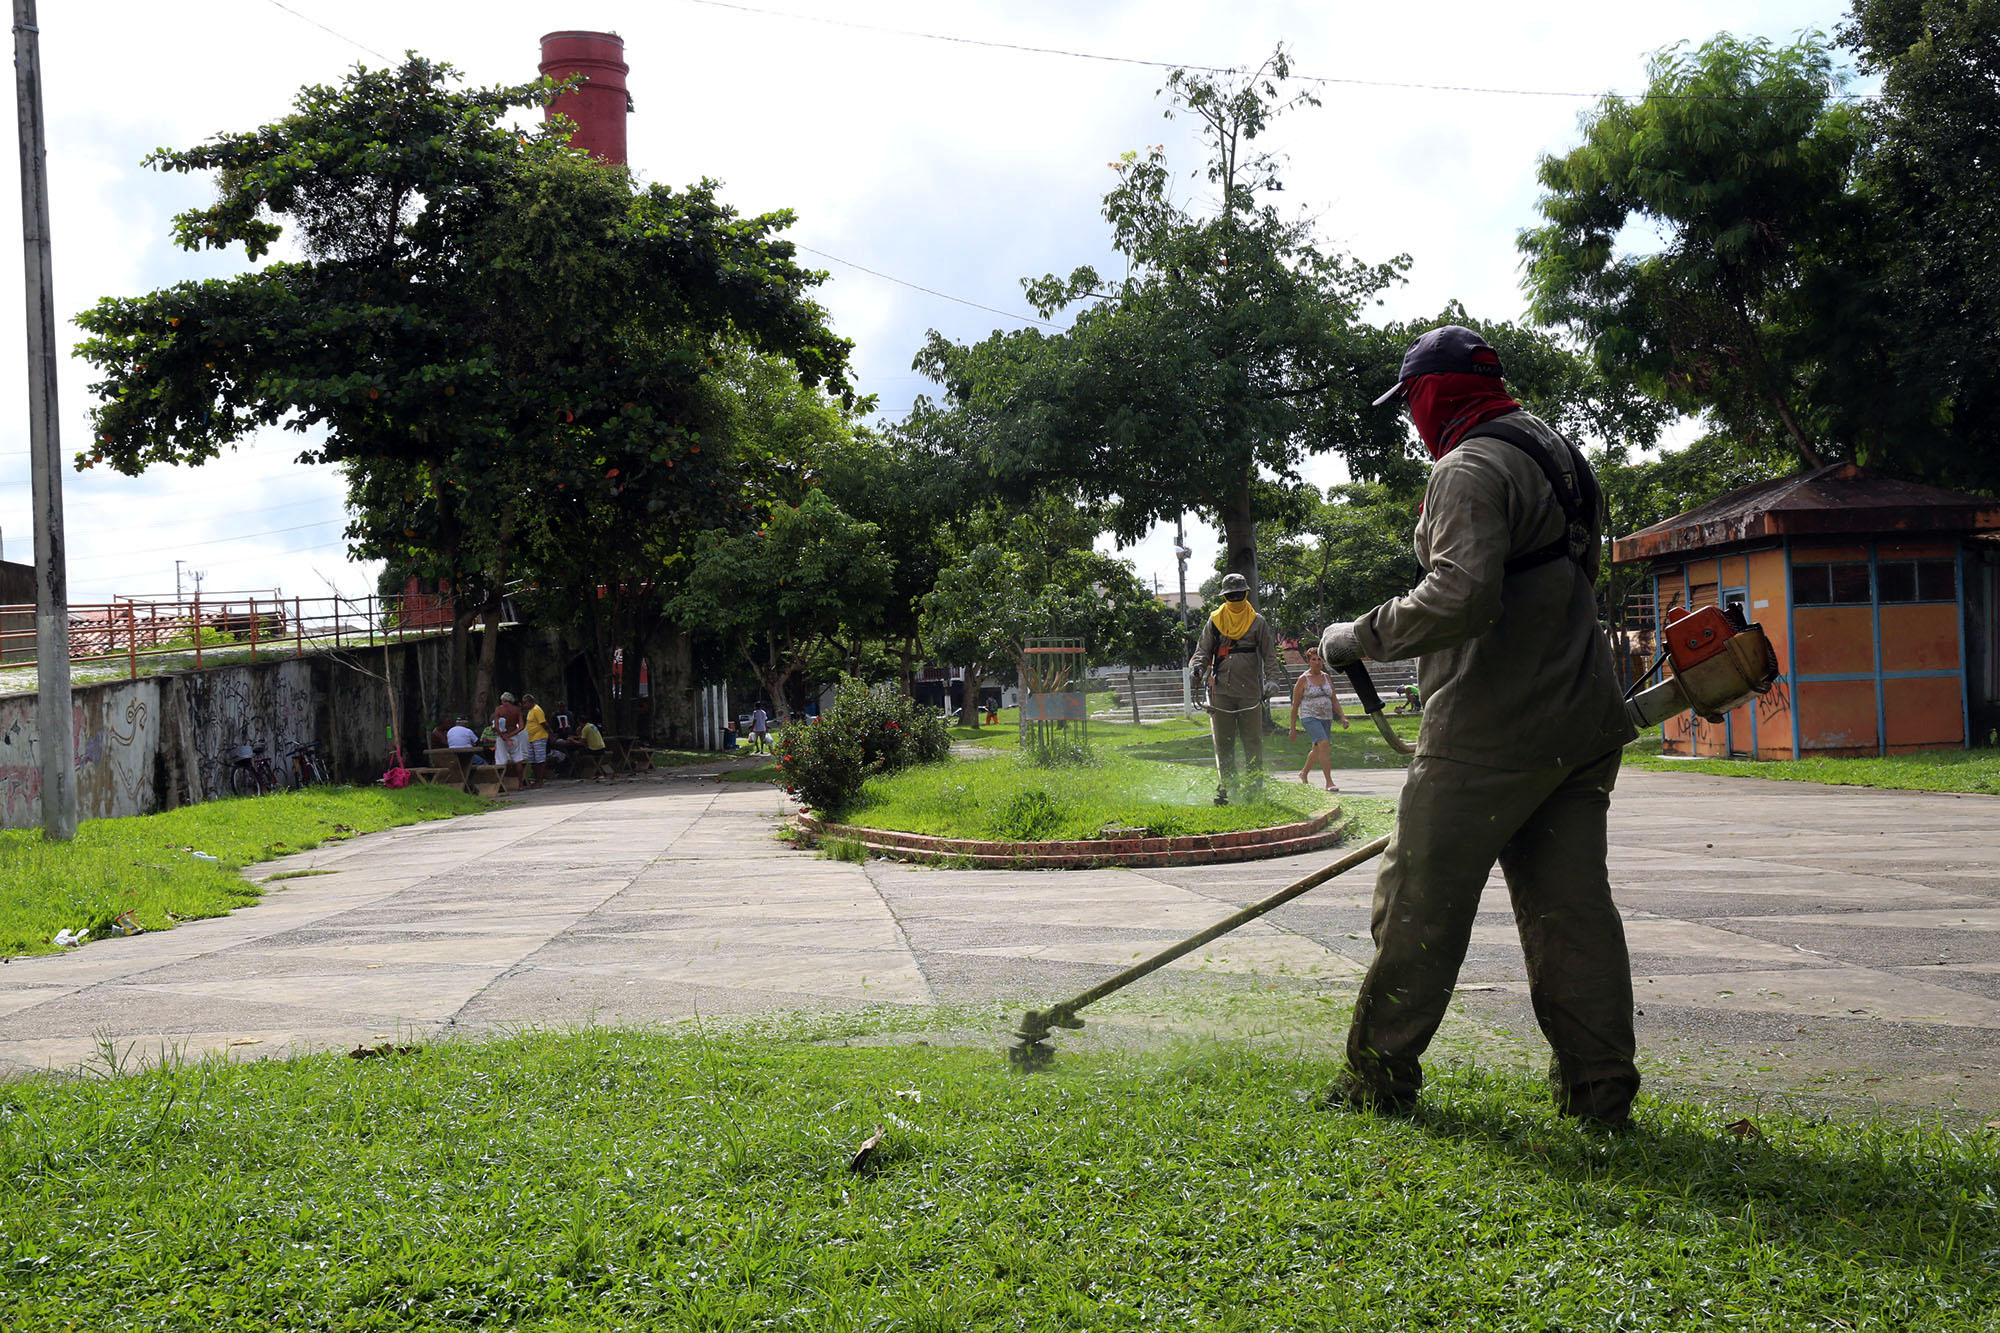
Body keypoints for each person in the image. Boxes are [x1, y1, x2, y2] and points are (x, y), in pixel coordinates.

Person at [1317, 324, 1638, 1127]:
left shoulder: (1467, 467)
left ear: (1438, 394)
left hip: (1491, 728)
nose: (1413, 422)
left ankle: (1377, 1080)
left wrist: (1360, 635)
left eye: (1413, 403)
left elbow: (1464, 596)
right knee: (1572, 913)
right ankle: (1599, 1098)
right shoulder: (1560, 455)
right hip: (1580, 723)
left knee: (1417, 901)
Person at [1187, 571, 1289, 806]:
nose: (1235, 599)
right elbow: (1202, 652)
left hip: (1250, 692)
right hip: (1221, 691)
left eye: (1238, 594)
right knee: (1223, 743)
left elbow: (1270, 656)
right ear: (1225, 597)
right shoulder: (1214, 621)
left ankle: (1254, 789)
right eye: (1231, 595)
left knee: (1252, 741)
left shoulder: (1258, 622)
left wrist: (1273, 680)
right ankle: (1227, 787)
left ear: (1245, 594)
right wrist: (1197, 669)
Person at [1288, 646, 1350, 791]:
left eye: (1320, 659)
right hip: (1309, 717)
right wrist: (1292, 728)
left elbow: (1334, 699)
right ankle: (1329, 782)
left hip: (1326, 717)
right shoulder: (1303, 679)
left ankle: (1303, 773)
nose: (1317, 662)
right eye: (1314, 659)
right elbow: (1295, 705)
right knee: (1324, 744)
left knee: (1317, 749)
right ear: (1308, 661)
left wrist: (1343, 717)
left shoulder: (1326, 677)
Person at [491, 691, 527, 788]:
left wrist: (505, 737)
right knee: (518, 760)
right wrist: (511, 735)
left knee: (500, 761)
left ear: (503, 700)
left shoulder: (499, 709)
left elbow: (496, 727)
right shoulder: (517, 710)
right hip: (514, 737)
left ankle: (500, 785)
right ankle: (520, 784)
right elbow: (521, 726)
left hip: (502, 738)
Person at [522, 692, 550, 788]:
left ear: (530, 702)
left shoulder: (537, 710)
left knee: (540, 760)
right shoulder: (530, 711)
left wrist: (551, 734)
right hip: (531, 738)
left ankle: (540, 780)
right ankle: (536, 779)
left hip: (539, 737)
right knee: (533, 760)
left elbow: (544, 723)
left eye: (525, 703)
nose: (524, 705)